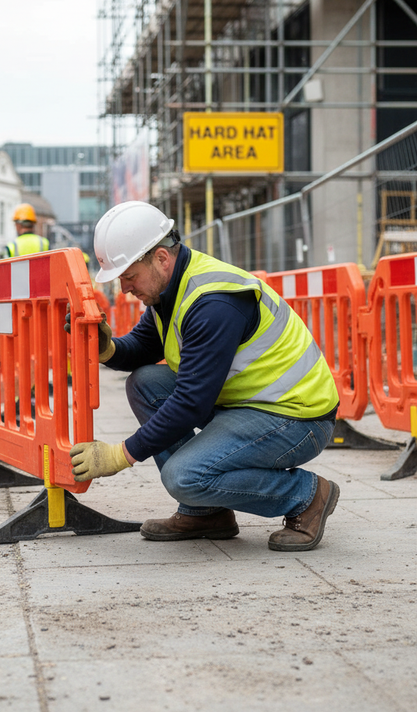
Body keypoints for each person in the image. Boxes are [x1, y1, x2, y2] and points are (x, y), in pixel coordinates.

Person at [68, 201, 340, 552]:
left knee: (183, 475)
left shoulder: (212, 302)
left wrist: (121, 454)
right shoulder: (170, 289)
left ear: (161, 259)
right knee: (145, 383)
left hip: (297, 417)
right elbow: (143, 347)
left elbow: (191, 404)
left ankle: (307, 496)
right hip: (250, 405)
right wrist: (107, 348)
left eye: (129, 276)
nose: (124, 289)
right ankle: (205, 512)